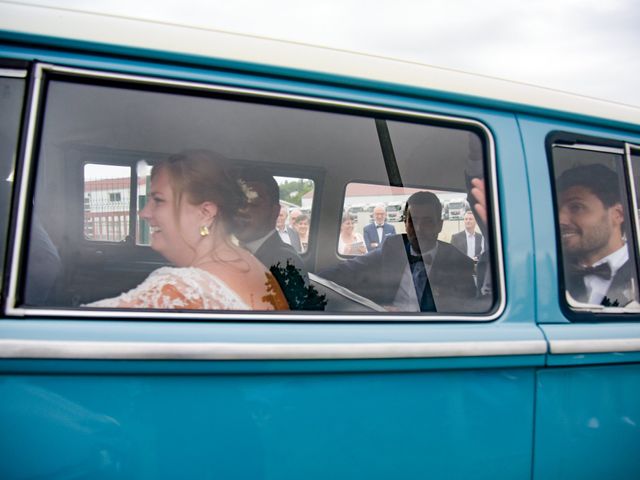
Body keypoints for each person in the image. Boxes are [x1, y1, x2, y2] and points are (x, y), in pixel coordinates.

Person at [87, 150, 288, 310]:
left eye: (158, 200)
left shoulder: (184, 288)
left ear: (205, 213)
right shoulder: (253, 266)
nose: (144, 213)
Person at [320, 191, 477, 312]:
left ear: (439, 225)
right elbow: (347, 270)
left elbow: (466, 312)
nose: (419, 229)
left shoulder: (458, 263)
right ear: (405, 224)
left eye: (427, 222)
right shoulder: (393, 248)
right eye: (413, 221)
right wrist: (305, 282)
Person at [234, 167, 316, 309]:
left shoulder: (286, 263)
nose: (242, 210)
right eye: (238, 203)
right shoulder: (233, 251)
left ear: (275, 212)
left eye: (254, 203)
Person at [557, 163, 637, 307]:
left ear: (617, 214)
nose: (560, 220)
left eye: (576, 207)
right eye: (557, 210)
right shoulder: (551, 275)